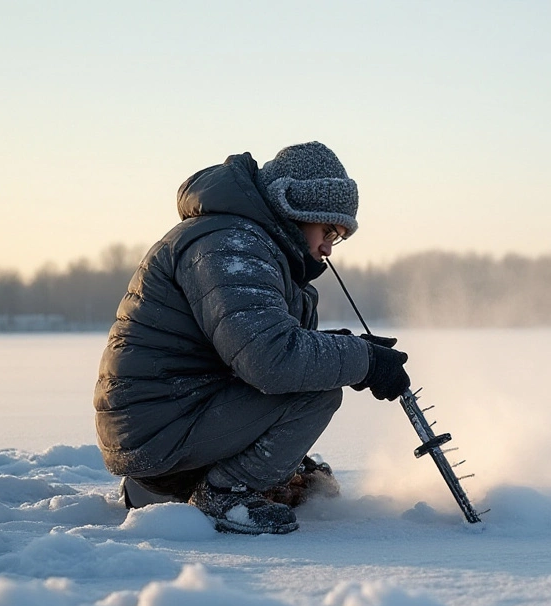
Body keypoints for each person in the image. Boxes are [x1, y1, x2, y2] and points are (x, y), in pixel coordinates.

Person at [94, 142, 410, 534]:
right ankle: (224, 496)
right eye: (327, 230)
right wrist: (362, 360)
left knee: (313, 378)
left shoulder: (250, 243)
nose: (329, 247)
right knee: (315, 393)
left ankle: (184, 485)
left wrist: (345, 345)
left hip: (165, 424)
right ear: (294, 207)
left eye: (338, 236)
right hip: (158, 433)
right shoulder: (231, 245)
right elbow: (270, 361)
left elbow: (252, 345)